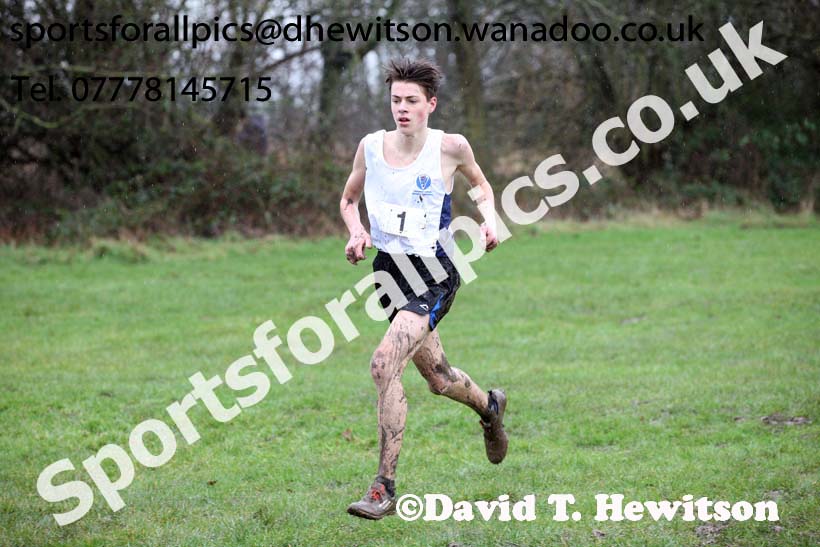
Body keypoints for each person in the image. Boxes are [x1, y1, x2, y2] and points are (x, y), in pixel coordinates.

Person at [339, 58, 507, 520]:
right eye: (396, 100)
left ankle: (383, 488)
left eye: (412, 100)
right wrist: (356, 231)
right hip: (389, 274)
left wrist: (489, 222)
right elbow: (348, 198)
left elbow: (482, 185)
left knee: (382, 364)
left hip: (434, 273)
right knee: (437, 378)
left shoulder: (450, 147)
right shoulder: (370, 147)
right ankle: (490, 407)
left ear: (430, 104)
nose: (403, 108)